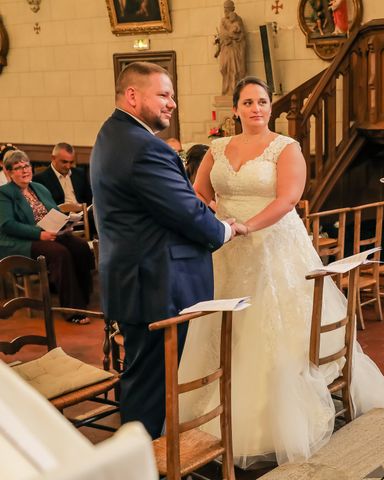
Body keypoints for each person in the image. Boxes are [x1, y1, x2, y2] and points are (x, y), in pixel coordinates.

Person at [180, 76, 384, 468]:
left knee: (270, 328)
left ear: (269, 107)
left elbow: (288, 198)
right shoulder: (217, 147)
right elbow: (198, 190)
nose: (256, 108)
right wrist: (220, 217)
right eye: (247, 102)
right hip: (229, 247)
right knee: (226, 327)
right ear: (236, 109)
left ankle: (268, 421)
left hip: (273, 244)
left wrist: (250, 224)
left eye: (262, 101)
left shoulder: (285, 147)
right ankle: (213, 408)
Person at [90, 61, 239, 439]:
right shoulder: (143, 148)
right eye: (163, 95)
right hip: (156, 283)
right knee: (149, 385)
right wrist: (223, 230)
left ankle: (149, 456)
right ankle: (143, 463)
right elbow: (186, 212)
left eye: (172, 95)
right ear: (133, 95)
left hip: (139, 278)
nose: (171, 103)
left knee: (145, 377)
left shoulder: (112, 134)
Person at [0, 150, 94, 325]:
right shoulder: (4, 193)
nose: (24, 170)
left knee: (80, 247)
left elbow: (54, 212)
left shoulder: (39, 188)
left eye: (26, 166)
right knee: (60, 253)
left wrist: (66, 224)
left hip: (49, 233)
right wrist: (39, 233)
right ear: (9, 172)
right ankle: (72, 310)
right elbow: (7, 225)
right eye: (18, 168)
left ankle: (83, 299)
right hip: (22, 241)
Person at [214, 0, 246, 96]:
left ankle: (235, 90)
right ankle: (226, 90)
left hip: (234, 49)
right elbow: (222, 34)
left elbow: (241, 36)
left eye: (227, 8)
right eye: (224, 8)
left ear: (232, 8)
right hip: (225, 49)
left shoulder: (238, 20)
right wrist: (226, 36)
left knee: (235, 70)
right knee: (223, 68)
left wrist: (231, 35)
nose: (225, 11)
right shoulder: (223, 21)